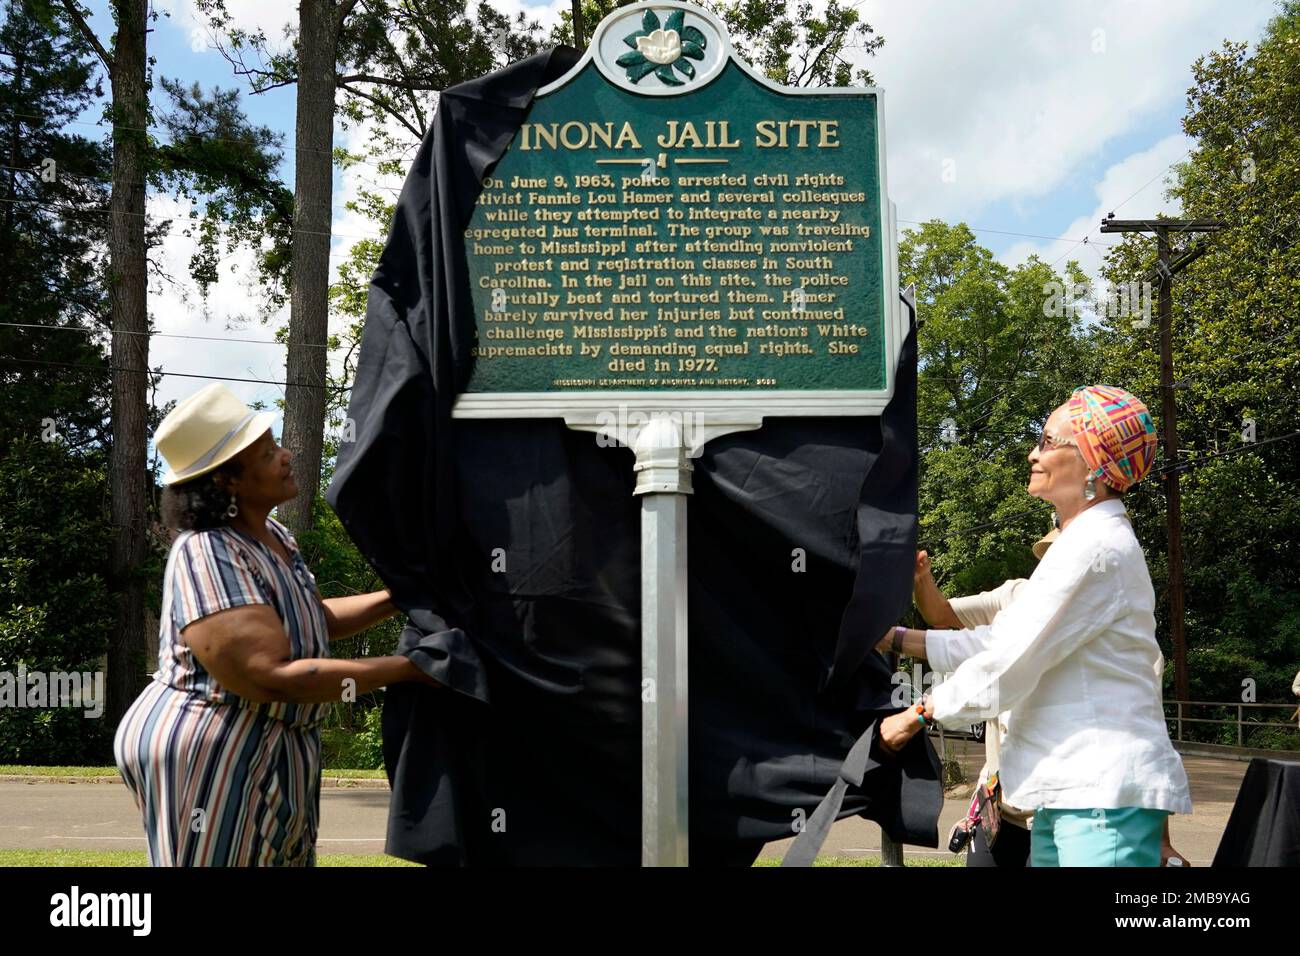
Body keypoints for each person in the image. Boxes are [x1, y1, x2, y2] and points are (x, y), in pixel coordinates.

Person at [114, 383, 438, 866]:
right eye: (267, 454)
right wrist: (409, 667)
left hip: (270, 744)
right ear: (228, 481)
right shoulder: (208, 553)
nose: (286, 456)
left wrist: (404, 596)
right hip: (212, 749)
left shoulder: (273, 536)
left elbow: (315, 620)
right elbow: (270, 676)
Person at [881, 385, 1193, 866]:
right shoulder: (1080, 543)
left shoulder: (1097, 548)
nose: (1033, 453)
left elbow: (1011, 661)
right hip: (1067, 792)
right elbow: (998, 639)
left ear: (1092, 462)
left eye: (1048, 441)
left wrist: (918, 713)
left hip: (1100, 795)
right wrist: (895, 638)